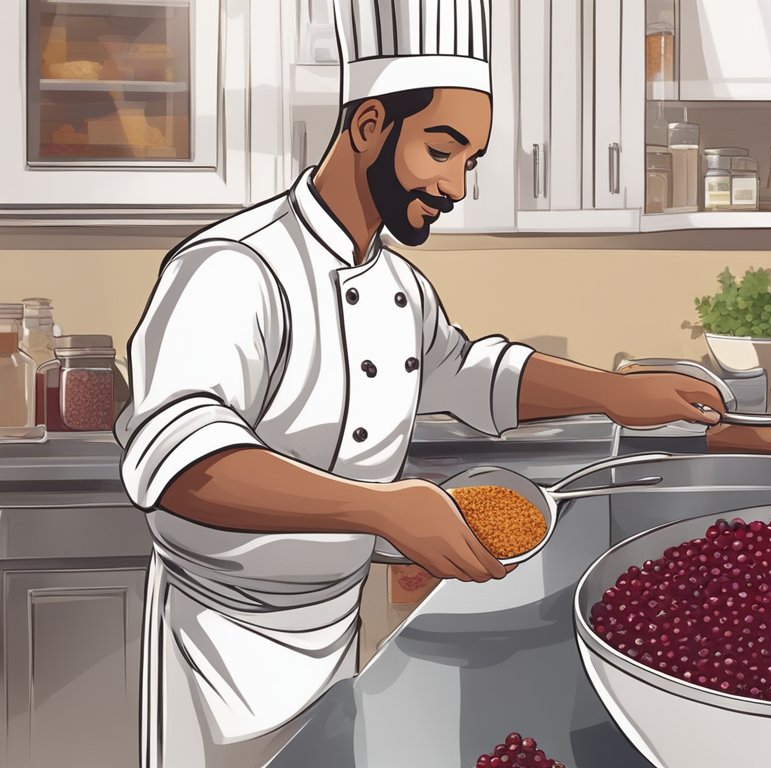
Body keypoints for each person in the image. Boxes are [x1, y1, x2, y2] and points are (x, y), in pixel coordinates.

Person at [113, 1, 725, 765]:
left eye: (471, 162)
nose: (456, 185)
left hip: (335, 625)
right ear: (369, 125)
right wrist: (386, 509)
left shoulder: (396, 281)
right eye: (443, 150)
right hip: (218, 647)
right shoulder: (232, 269)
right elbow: (184, 469)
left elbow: (468, 373)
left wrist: (610, 391)